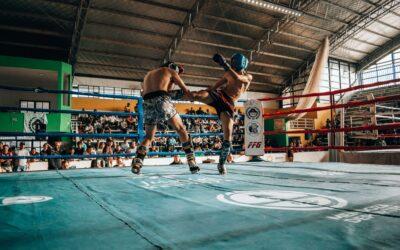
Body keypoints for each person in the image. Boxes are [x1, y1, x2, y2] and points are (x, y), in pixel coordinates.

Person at [180, 53, 252, 174]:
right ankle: (168, 94)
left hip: (229, 103)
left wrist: (224, 64)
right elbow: (217, 84)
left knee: (228, 137)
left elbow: (239, 79)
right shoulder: (229, 72)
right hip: (219, 95)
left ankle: (222, 163)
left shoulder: (249, 76)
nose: (232, 65)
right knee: (196, 95)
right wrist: (209, 91)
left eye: (234, 63)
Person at [130, 61, 200, 175]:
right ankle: (191, 161)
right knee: (181, 129)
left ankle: (137, 162)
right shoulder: (170, 71)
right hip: (162, 100)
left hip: (147, 103)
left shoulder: (149, 74)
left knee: (149, 137)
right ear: (172, 67)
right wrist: (191, 97)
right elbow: (185, 89)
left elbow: (144, 93)